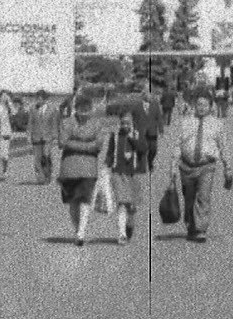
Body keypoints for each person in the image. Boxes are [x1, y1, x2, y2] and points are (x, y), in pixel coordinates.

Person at [170, 92, 232, 242]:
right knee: (189, 198)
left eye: (205, 105)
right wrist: (173, 165)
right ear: (194, 106)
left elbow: (223, 147)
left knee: (203, 197)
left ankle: (200, 229)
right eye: (199, 104)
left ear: (211, 107)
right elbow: (178, 144)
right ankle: (191, 225)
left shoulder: (217, 124)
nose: (201, 107)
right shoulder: (185, 122)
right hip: (186, 166)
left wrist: (227, 167)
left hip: (207, 166)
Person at [58, 97, 107, 246]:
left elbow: (98, 144)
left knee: (85, 200)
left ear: (91, 111)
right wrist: (87, 144)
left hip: (88, 170)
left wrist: (74, 141)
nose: (84, 115)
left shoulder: (97, 124)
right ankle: (77, 229)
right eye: (81, 111)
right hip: (69, 169)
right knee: (73, 202)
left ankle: (81, 232)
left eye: (87, 112)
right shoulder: (66, 123)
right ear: (76, 110)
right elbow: (62, 142)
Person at [105, 110, 151, 244]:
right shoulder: (115, 135)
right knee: (122, 203)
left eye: (128, 123)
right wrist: (105, 168)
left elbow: (143, 149)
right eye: (122, 123)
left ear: (132, 123)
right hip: (118, 173)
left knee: (131, 206)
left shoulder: (137, 134)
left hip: (133, 174)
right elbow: (109, 153)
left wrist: (132, 138)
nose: (125, 125)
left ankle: (129, 225)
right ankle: (122, 233)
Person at [27, 92, 57, 184]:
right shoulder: (33, 108)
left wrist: (54, 135)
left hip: (48, 137)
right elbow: (30, 123)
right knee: (37, 158)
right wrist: (28, 135)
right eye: (37, 98)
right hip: (36, 136)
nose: (39, 100)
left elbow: (54, 123)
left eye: (41, 99)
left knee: (46, 155)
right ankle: (41, 176)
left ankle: (48, 175)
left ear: (45, 99)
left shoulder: (52, 109)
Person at [0, 92, 17, 181]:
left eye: (5, 96)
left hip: (5, 133)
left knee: (4, 155)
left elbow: (14, 113)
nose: (4, 98)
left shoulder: (9, 107)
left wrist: (9, 102)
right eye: (2, 96)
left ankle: (4, 172)